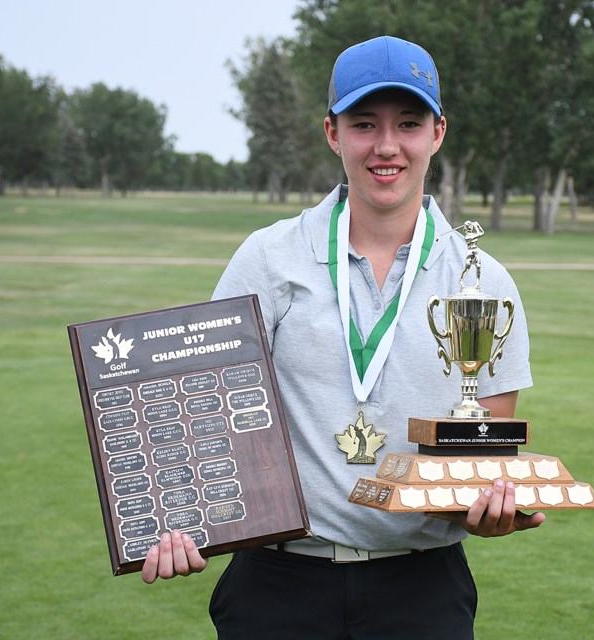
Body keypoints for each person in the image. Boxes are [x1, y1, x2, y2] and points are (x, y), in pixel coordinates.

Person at [142, 35, 545, 639]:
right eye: (364, 124)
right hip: (277, 586)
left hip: (422, 590)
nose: (387, 147)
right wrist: (181, 517)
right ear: (332, 133)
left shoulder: (482, 280)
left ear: (438, 133)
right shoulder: (268, 257)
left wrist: (486, 508)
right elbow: (205, 412)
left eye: (408, 123)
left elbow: (485, 452)